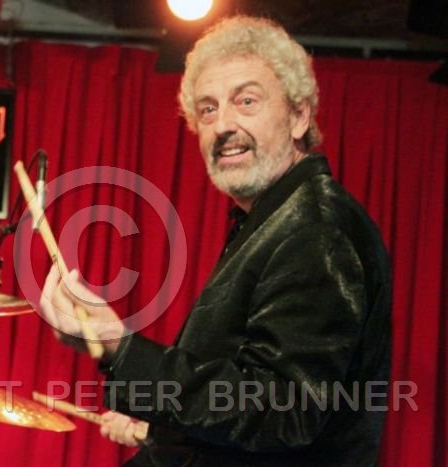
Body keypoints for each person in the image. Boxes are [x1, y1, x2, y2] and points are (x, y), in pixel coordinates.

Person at [40, 15, 391, 466]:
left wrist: (119, 346)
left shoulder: (316, 228)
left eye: (246, 101)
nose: (223, 124)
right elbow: (235, 401)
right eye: (208, 109)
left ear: (299, 116)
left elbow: (279, 411)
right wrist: (153, 422)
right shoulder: (274, 219)